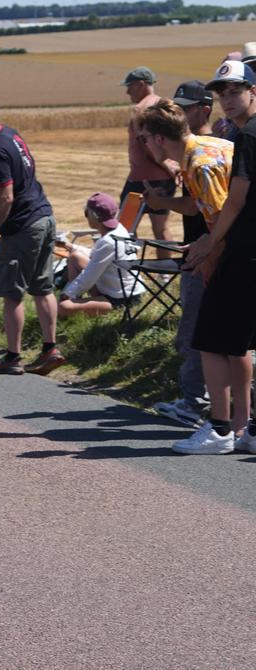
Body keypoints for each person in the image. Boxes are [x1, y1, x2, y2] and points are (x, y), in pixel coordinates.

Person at [139, 90, 233, 428]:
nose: (144, 145)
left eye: (144, 138)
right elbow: (197, 206)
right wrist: (162, 203)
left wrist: (208, 258)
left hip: (237, 254)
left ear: (159, 139)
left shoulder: (199, 163)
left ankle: (219, 417)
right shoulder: (204, 148)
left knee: (217, 338)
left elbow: (222, 219)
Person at [175, 61, 256, 454]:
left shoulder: (248, 136)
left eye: (235, 90)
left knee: (210, 336)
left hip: (245, 250)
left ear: (253, 91)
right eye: (222, 93)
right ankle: (250, 429)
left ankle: (220, 429)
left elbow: (235, 201)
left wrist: (210, 242)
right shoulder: (243, 134)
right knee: (240, 342)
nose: (227, 99)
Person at [0, 90, 65, 375]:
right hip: (44, 216)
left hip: (22, 226)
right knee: (43, 288)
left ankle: (13, 356)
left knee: (12, 294)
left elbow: (5, 198)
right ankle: (50, 349)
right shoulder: (12, 134)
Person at [56, 193, 144, 317]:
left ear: (94, 216)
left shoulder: (108, 242)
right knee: (75, 257)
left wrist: (66, 294)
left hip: (121, 299)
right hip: (120, 290)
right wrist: (68, 246)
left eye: (86, 213)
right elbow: (96, 256)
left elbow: (89, 276)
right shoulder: (119, 229)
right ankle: (75, 298)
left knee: (63, 307)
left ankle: (72, 299)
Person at [121, 66, 177, 256]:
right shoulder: (164, 104)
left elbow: (148, 145)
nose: (127, 92)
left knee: (124, 227)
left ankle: (128, 269)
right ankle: (164, 269)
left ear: (141, 84)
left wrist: (166, 164)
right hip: (165, 178)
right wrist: (172, 166)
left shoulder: (141, 109)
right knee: (161, 227)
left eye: (129, 86)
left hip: (141, 178)